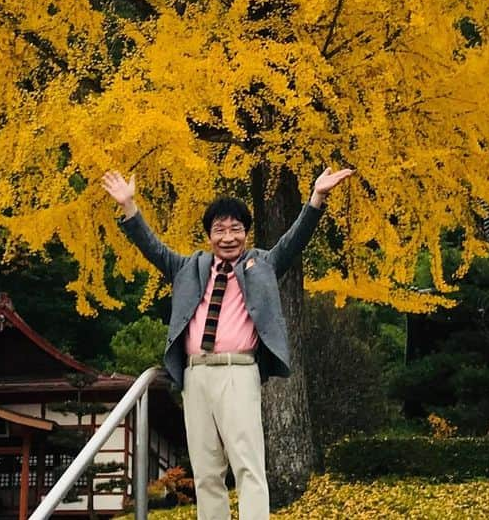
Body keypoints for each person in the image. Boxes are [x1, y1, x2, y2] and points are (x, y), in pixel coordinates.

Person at [101, 166, 353, 520]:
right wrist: (129, 207)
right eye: (220, 229)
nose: (228, 237)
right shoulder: (187, 267)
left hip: (239, 371)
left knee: (248, 464)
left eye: (236, 229)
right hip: (195, 376)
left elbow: (294, 241)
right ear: (209, 235)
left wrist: (317, 199)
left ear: (246, 233)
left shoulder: (263, 264)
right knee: (206, 471)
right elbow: (151, 247)